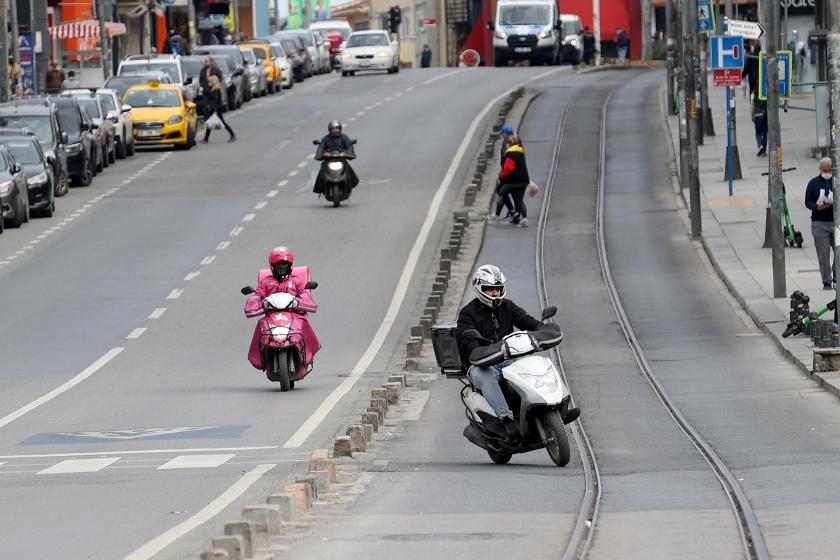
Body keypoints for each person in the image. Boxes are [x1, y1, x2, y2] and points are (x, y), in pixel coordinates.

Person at [456, 265, 542, 437]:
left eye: (498, 289)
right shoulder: (467, 314)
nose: (495, 293)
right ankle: (507, 420)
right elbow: (469, 346)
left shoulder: (508, 306)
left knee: (536, 364)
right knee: (485, 374)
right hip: (481, 365)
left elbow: (529, 322)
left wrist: (544, 329)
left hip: (509, 360)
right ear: (480, 288)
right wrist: (481, 353)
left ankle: (546, 405)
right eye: (490, 289)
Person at [244, 247, 319, 375]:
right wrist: (262, 303)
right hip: (271, 316)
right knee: (261, 324)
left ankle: (307, 354)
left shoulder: (297, 281)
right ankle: (261, 358)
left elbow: (307, 298)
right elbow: (255, 298)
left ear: (290, 265)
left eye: (285, 264)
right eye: (279, 264)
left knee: (303, 323)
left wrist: (298, 302)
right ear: (272, 266)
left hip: (294, 315)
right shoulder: (265, 282)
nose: (282, 266)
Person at [805, 158, 835, 290]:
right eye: (825, 170)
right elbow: (808, 201)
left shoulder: (837, 181)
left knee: (838, 251)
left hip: (836, 222)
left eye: (830, 170)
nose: (828, 172)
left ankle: (836, 275)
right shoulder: (813, 183)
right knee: (823, 254)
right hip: (819, 223)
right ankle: (827, 281)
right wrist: (817, 207)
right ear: (820, 169)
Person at [313, 120, 358, 194]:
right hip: (328, 160)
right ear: (330, 130)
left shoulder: (344, 138)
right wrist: (322, 154)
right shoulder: (325, 139)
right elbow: (321, 148)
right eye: (333, 129)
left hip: (341, 160)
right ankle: (321, 189)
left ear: (340, 129)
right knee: (321, 172)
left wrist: (347, 154)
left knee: (349, 171)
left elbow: (349, 147)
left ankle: (349, 187)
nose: (335, 130)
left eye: (337, 128)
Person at [198, 56, 236, 143]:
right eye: (204, 61)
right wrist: (205, 87)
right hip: (207, 95)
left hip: (215, 96)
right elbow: (201, 80)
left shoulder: (215, 70)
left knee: (219, 119)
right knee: (208, 119)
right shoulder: (203, 70)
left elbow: (220, 80)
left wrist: (215, 109)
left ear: (211, 62)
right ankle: (206, 138)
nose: (205, 62)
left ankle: (232, 134)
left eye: (206, 61)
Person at [497, 133, 530, 227]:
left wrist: (501, 178)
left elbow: (508, 169)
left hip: (514, 181)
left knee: (501, 191)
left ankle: (497, 215)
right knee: (519, 199)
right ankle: (524, 218)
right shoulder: (520, 152)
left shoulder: (511, 154)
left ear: (510, 144)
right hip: (523, 181)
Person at [751, 90, 767, 157]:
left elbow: (752, 105)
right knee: (764, 132)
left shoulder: (753, 94)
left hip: (757, 115)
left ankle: (760, 146)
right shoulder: (766, 92)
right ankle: (764, 149)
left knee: (758, 133)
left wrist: (752, 115)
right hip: (765, 115)